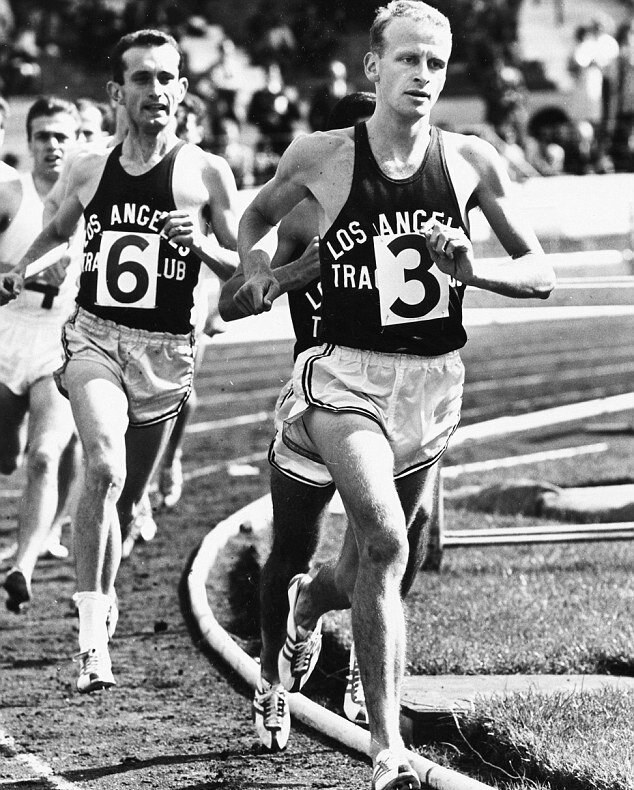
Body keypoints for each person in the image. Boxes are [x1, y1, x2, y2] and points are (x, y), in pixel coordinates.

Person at [233, 2, 556, 787]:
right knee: (382, 535)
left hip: (432, 385)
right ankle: (383, 747)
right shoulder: (321, 155)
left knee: (378, 562)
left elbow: (540, 271)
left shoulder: (473, 161)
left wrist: (473, 270)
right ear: (374, 67)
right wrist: (254, 270)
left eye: (435, 64)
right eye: (407, 59)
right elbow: (256, 215)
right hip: (343, 375)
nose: (422, 75)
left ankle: (312, 610)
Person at [0, 29, 239, 694]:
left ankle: (104, 594)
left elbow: (248, 271)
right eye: (141, 78)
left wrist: (206, 251)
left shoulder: (206, 173)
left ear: (182, 91)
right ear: (116, 93)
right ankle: (89, 637)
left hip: (164, 350)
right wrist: (21, 269)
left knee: (127, 500)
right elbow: (52, 232)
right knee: (102, 465)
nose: (154, 91)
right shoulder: (90, 167)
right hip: (95, 337)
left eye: (166, 78)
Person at [0, 95, 80, 613]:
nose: (52, 146)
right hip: (7, 335)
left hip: (62, 340)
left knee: (46, 454)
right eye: (42, 136)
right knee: (5, 456)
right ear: (27, 144)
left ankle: (21, 566)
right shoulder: (11, 194)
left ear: (76, 143)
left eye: (61, 136)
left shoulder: (93, 197)